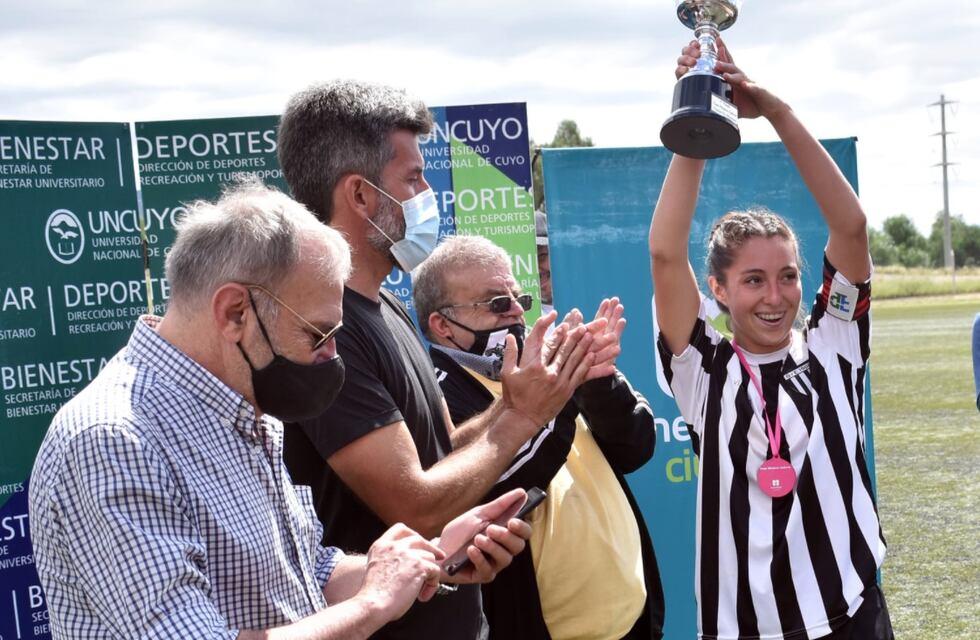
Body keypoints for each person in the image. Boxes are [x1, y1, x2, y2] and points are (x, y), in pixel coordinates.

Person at [29, 181, 531, 640]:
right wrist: (374, 604)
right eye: (318, 334)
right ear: (234, 313)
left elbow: (301, 573)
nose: (333, 357)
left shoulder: (249, 408)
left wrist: (431, 557)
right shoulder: (112, 441)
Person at [277, 81, 612, 639]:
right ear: (360, 197)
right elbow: (416, 505)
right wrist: (525, 417)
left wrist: (520, 402)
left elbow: (438, 450)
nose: (428, 192)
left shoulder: (386, 302)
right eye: (413, 179)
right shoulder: (322, 328)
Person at [649, 42, 894, 640]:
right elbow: (664, 250)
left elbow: (851, 226)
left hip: (852, 614)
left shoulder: (834, 346)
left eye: (787, 276)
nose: (775, 297)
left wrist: (776, 110)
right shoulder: (703, 366)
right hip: (746, 627)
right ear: (720, 290)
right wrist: (698, 125)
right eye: (753, 280)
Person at [413, 234, 666, 640]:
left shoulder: (549, 358)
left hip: (633, 618)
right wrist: (555, 393)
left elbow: (636, 448)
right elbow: (490, 493)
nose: (516, 312)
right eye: (497, 303)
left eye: (519, 299)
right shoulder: (434, 394)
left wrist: (597, 383)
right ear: (443, 325)